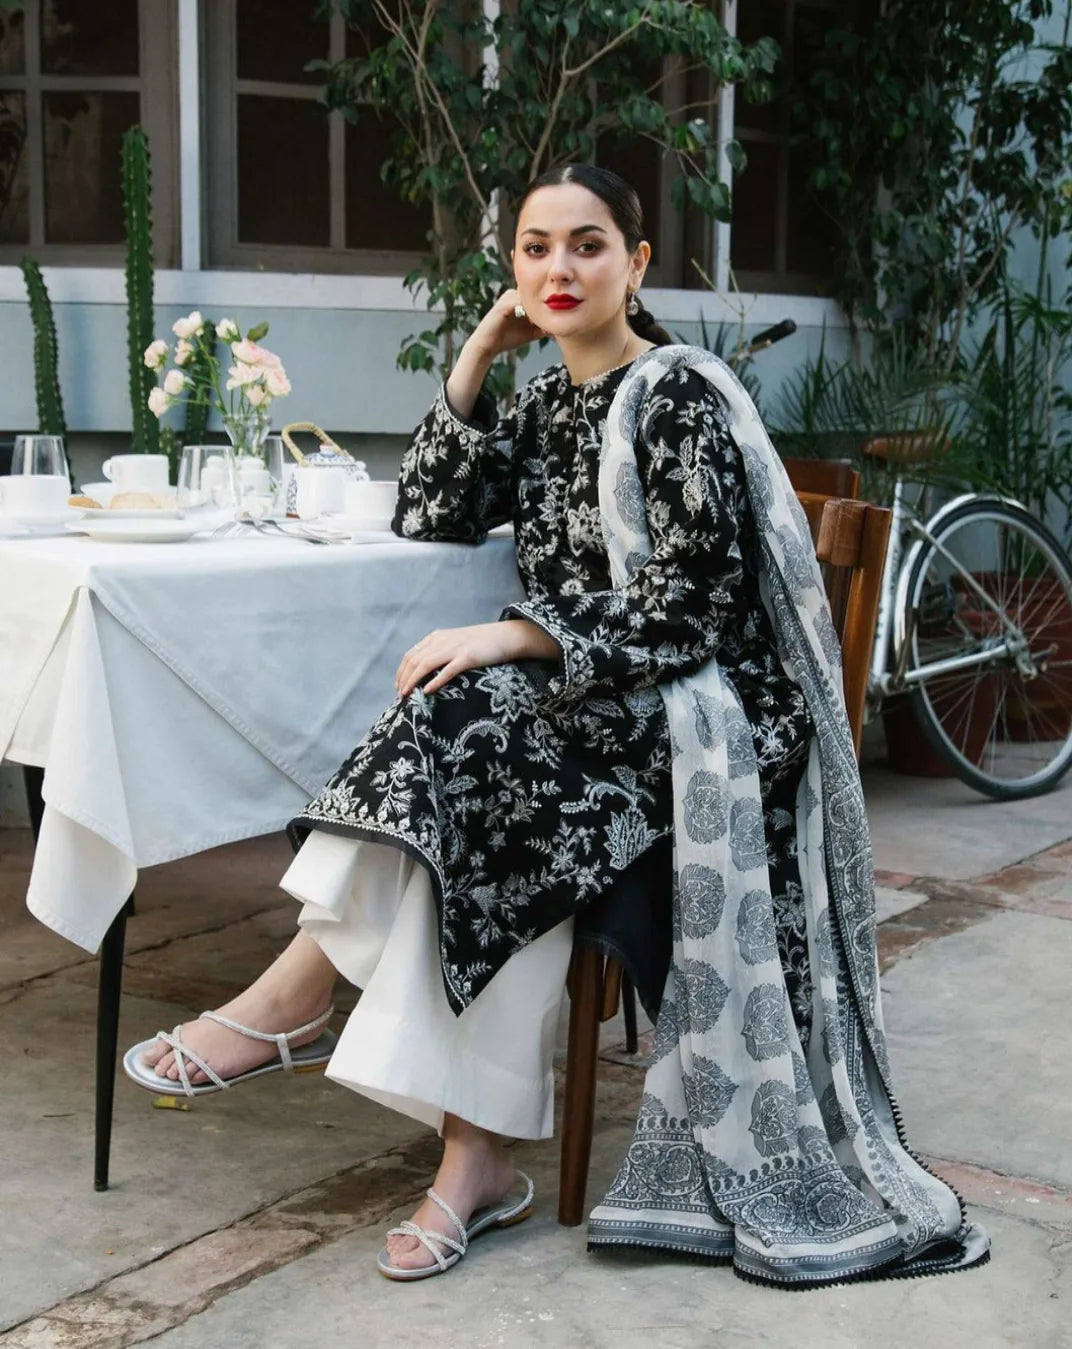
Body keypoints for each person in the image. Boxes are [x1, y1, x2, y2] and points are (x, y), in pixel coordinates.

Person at [124, 164, 988, 1287]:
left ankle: (307, 1006)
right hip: (599, 708)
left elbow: (697, 603)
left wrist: (517, 635)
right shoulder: (541, 407)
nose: (559, 268)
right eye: (534, 249)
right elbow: (430, 508)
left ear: (637, 261)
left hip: (706, 712)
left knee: (477, 724)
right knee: (478, 754)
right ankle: (462, 1153)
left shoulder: (677, 394)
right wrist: (481, 353)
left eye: (588, 244)